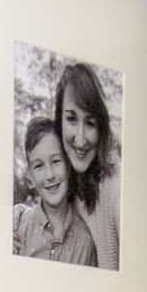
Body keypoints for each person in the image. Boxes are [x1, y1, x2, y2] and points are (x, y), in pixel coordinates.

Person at [54, 62, 120, 270]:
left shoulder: (115, 188)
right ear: (59, 121)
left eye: (90, 123)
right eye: (72, 119)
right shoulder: (63, 178)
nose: (81, 140)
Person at [13, 116, 97, 266]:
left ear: (69, 165)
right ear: (30, 177)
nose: (50, 175)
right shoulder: (17, 230)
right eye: (39, 166)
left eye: (56, 161)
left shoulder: (85, 242)